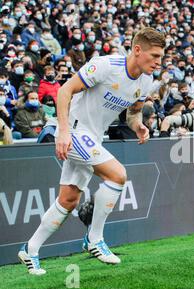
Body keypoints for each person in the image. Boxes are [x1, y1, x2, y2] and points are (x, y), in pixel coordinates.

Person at [18, 27, 165, 275]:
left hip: (93, 138)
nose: (158, 62)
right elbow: (64, 91)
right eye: (154, 55)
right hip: (72, 130)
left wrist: (138, 124)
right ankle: (94, 239)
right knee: (117, 175)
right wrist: (63, 131)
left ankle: (29, 250)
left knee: (68, 199)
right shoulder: (106, 66)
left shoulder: (146, 81)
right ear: (137, 50)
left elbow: (133, 112)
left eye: (161, 57)